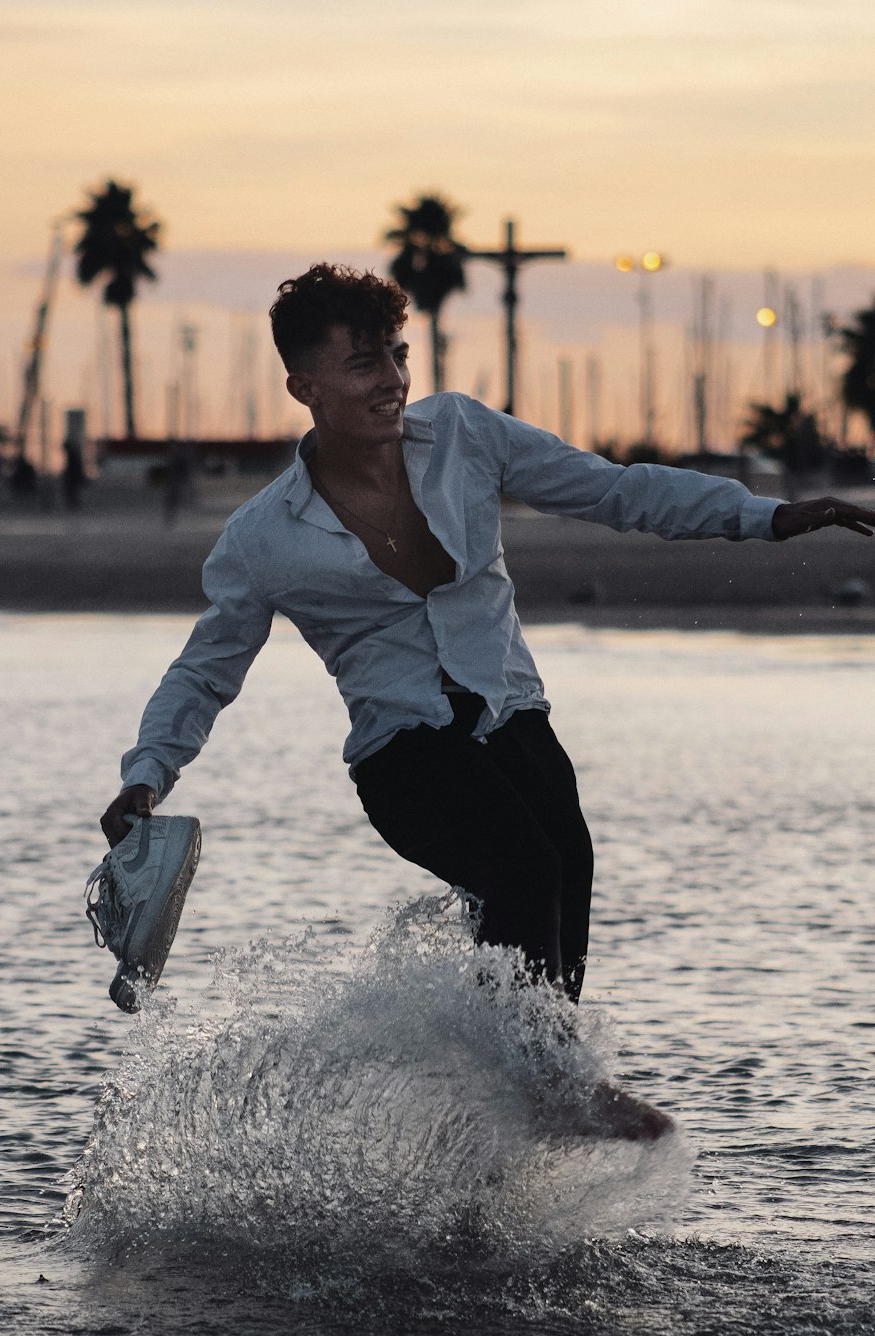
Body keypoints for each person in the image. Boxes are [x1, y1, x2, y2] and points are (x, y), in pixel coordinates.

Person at [95, 263, 873, 1138]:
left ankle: (492, 1108)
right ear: (303, 386)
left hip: (512, 723)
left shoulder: (463, 433)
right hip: (405, 755)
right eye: (362, 364)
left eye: (396, 354)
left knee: (564, 863)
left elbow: (614, 491)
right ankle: (542, 1087)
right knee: (524, 870)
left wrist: (765, 516)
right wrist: (148, 773)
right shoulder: (265, 535)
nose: (391, 380)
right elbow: (207, 669)